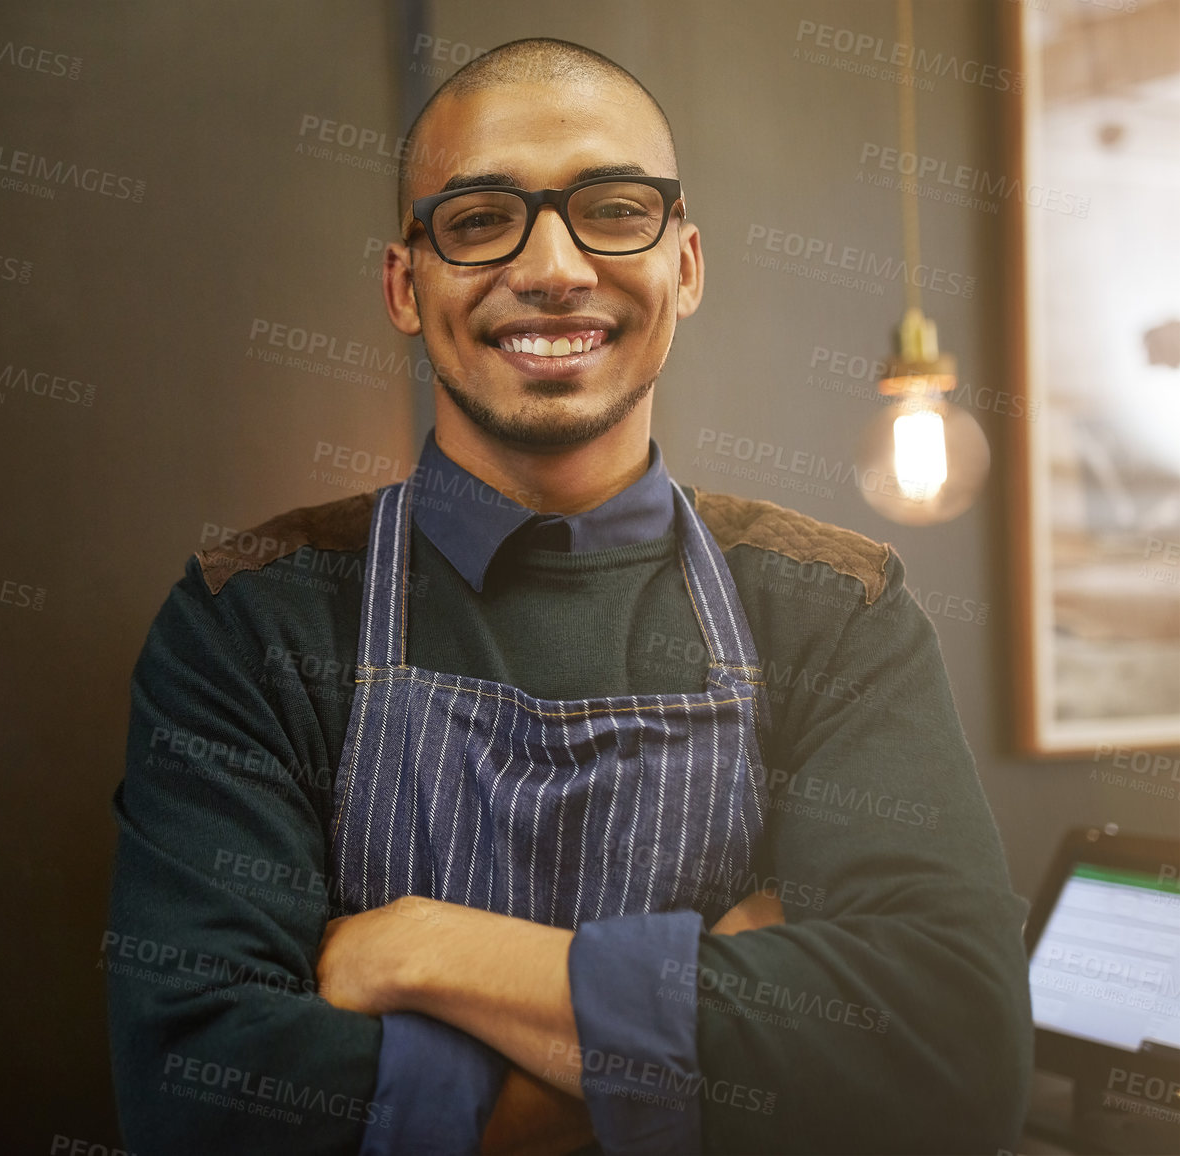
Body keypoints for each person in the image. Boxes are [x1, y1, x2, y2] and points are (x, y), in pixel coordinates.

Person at [106, 37, 1031, 1155]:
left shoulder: (833, 612)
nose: (552, 266)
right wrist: (710, 1026)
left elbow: (948, 1054)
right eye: (480, 218)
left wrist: (424, 954)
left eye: (613, 207)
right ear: (406, 284)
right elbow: (205, 1099)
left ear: (685, 264)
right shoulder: (250, 619)